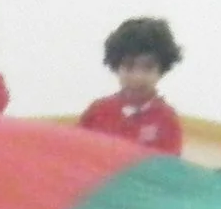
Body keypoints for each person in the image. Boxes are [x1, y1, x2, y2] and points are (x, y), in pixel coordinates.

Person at [78, 17, 184, 155]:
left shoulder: (167, 121)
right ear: (116, 67)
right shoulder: (97, 112)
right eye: (129, 66)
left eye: (148, 68)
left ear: (161, 71)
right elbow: (78, 154)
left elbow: (168, 170)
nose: (137, 77)